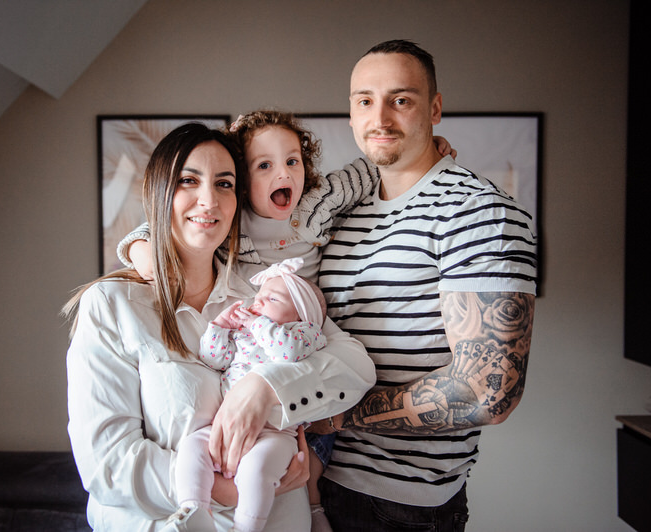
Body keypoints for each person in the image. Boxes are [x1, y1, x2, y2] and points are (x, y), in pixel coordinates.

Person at [118, 110, 454, 532]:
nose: (283, 173)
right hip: (259, 335)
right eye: (264, 165)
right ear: (243, 184)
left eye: (292, 161)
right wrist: (141, 252)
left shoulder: (314, 206)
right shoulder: (233, 226)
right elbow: (167, 219)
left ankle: (312, 508)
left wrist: (423, 150)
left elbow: (365, 172)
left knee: (310, 455)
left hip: (302, 322)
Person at [63, 122, 376, 532]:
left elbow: (356, 368)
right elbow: (107, 466)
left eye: (224, 184)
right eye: (188, 180)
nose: (209, 200)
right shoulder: (112, 306)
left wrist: (264, 389)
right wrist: (229, 491)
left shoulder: (262, 295)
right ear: (158, 192)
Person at [310, 40, 537, 531]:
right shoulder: (342, 210)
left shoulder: (477, 211)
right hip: (307, 483)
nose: (380, 118)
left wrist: (337, 415)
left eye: (401, 99)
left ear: (434, 109)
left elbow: (487, 392)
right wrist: (144, 241)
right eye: (365, 100)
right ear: (350, 112)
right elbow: (242, 230)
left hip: (398, 507)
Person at [167, 258, 327, 532]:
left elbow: (286, 352)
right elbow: (214, 360)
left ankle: (245, 527)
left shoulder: (304, 333)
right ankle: (194, 508)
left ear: (302, 314)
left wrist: (257, 325)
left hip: (276, 433)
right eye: (259, 295)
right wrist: (219, 327)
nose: (259, 301)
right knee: (192, 448)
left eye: (272, 298)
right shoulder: (245, 335)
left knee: (257, 470)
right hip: (227, 426)